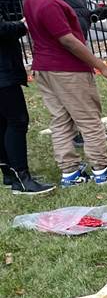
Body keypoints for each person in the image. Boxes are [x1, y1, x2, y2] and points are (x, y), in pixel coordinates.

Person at [21, 0, 107, 186]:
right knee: (89, 119)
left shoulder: (31, 0)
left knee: (61, 120)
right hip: (67, 70)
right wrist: (101, 67)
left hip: (44, 68)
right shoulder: (48, 5)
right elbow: (68, 40)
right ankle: (101, 169)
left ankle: (70, 171)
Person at [0, 14, 54, 194]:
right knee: (17, 121)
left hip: (4, 73)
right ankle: (21, 178)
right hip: (3, 75)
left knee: (4, 122)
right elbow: (2, 29)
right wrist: (23, 25)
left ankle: (9, 173)